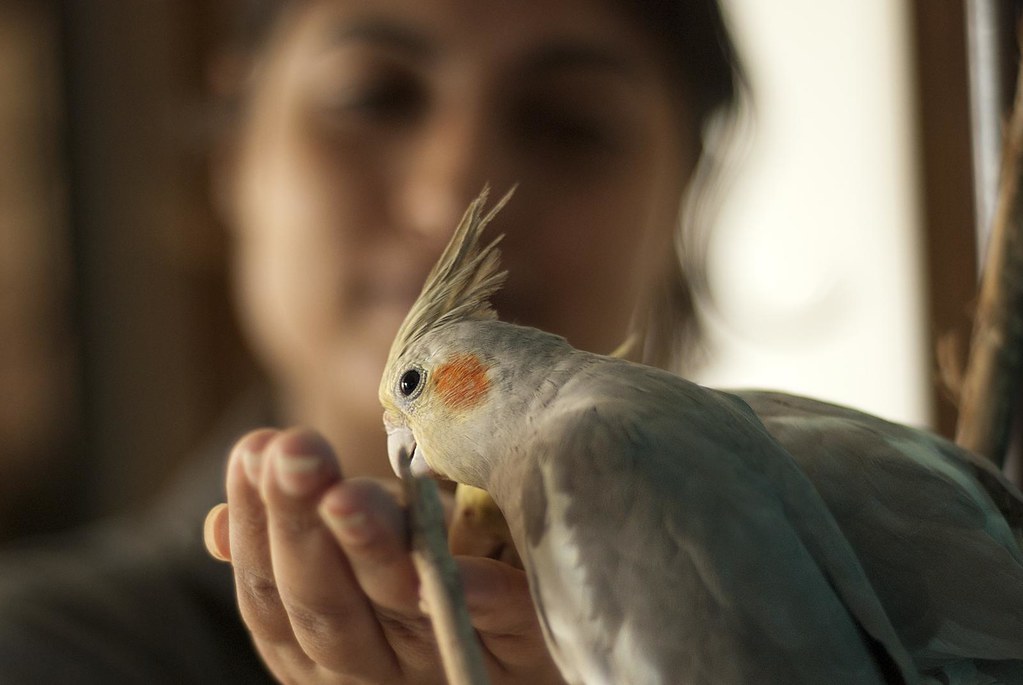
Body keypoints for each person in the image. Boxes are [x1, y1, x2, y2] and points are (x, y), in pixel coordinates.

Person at [0, 0, 743, 682]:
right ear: (234, 152)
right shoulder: (38, 652)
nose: (450, 195)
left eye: (568, 123)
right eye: (374, 97)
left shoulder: (829, 598)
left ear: (685, 195)